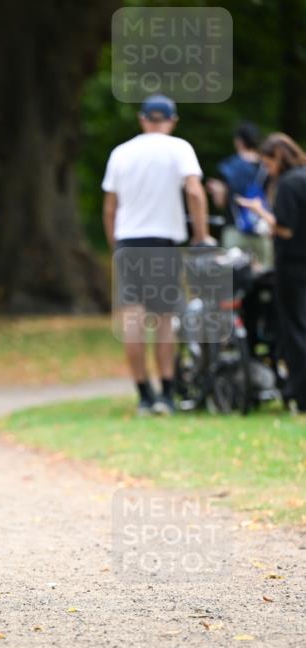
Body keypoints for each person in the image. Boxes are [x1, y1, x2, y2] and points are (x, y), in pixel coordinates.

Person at [102, 94, 213, 415]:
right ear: (172, 120)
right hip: (162, 243)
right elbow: (194, 191)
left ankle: (143, 395)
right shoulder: (179, 148)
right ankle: (166, 393)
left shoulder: (121, 152)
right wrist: (201, 235)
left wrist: (114, 245)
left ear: (142, 118)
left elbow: (110, 207)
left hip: (128, 243)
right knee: (164, 320)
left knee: (133, 319)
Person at [237, 133, 306, 412]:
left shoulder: (289, 183)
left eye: (268, 163)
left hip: (293, 266)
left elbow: (286, 229)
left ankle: (301, 394)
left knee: (295, 330)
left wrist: (259, 211)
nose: (268, 170)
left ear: (278, 156)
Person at [206, 122, 273, 267]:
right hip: (263, 229)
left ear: (239, 141)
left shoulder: (229, 165)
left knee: (233, 275)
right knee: (264, 274)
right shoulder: (268, 166)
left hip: (234, 229)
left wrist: (216, 190)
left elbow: (220, 202)